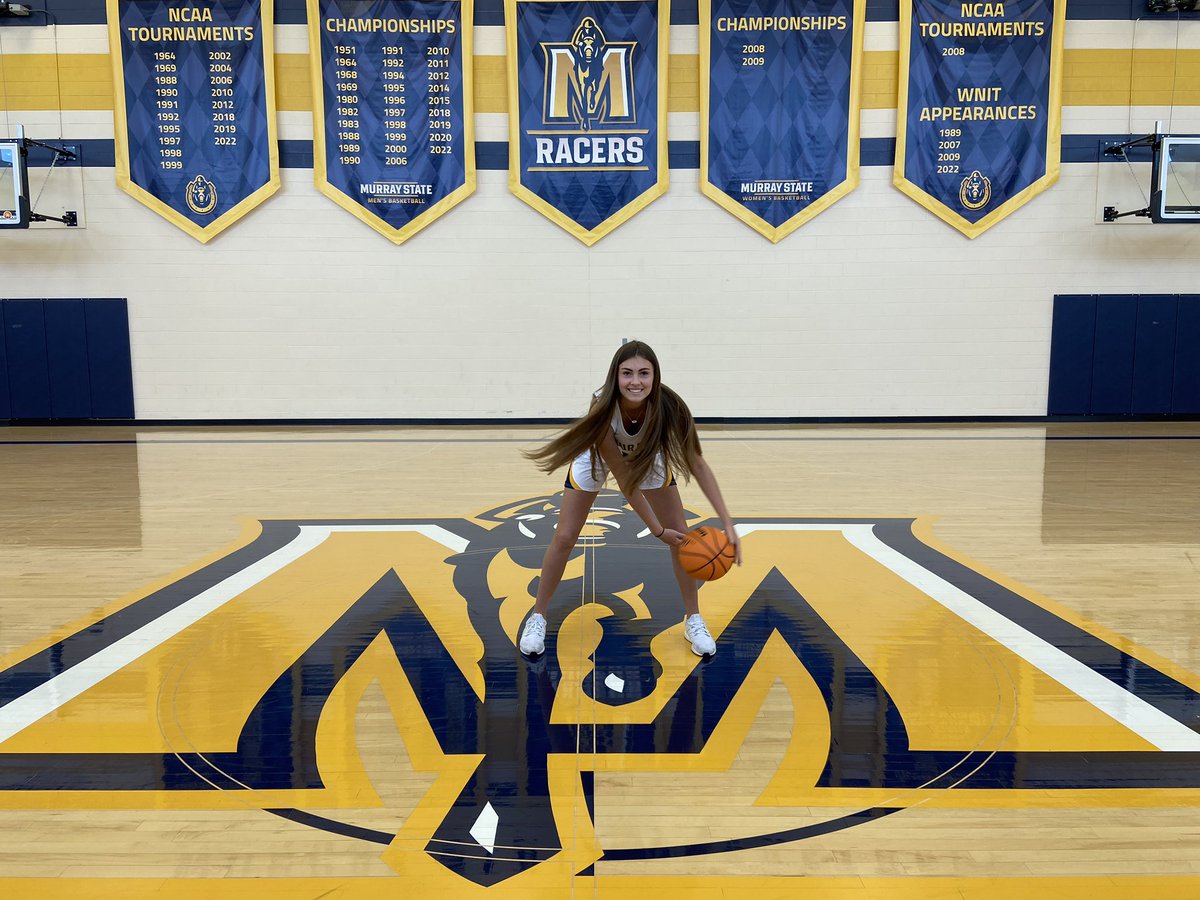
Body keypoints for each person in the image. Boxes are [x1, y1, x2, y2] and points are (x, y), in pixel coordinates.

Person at [520, 340, 741, 658]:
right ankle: (538, 615)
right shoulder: (603, 407)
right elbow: (624, 479)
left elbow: (698, 462)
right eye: (627, 373)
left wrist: (727, 522)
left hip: (647, 458)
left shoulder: (670, 407)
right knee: (565, 536)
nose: (635, 381)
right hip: (596, 457)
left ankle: (693, 618)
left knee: (682, 537)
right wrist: (656, 529)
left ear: (655, 377)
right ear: (615, 376)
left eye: (643, 373)